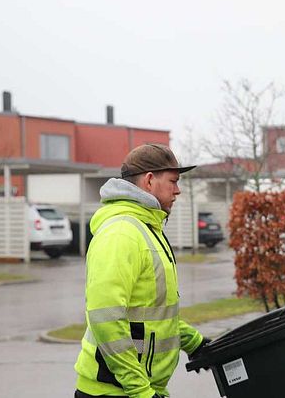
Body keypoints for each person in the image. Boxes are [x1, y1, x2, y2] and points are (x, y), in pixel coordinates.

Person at [74, 143, 208, 398]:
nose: (178, 190)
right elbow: (106, 318)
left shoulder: (147, 228)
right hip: (113, 393)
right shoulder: (122, 233)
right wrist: (141, 391)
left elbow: (152, 314)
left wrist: (194, 342)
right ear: (149, 181)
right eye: (173, 181)